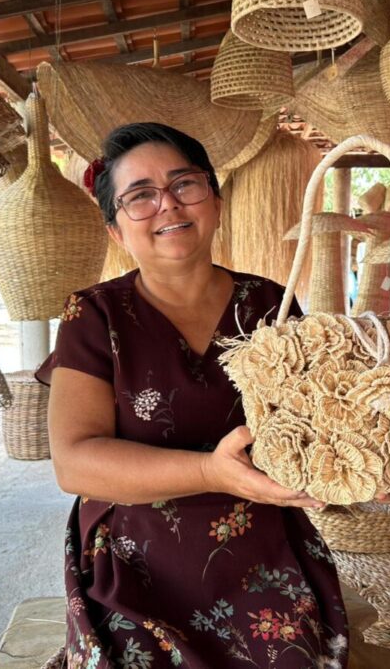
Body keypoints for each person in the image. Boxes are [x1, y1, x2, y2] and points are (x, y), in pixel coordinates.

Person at [36, 123, 352, 669]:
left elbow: (317, 424)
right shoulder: (92, 316)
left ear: (216, 200)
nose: (168, 205)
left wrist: (373, 471)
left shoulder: (270, 305)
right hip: (135, 561)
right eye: (139, 196)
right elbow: (75, 463)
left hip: (261, 547)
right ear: (115, 229)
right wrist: (210, 472)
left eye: (185, 184)